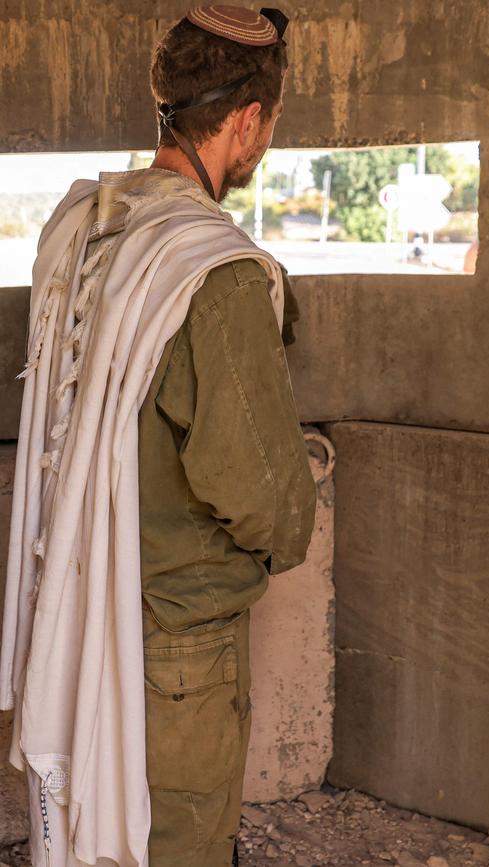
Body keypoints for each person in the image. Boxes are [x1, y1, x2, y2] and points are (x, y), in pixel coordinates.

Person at [0, 6, 316, 867]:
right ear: (247, 122)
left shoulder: (81, 229)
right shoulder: (210, 271)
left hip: (66, 615)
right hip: (175, 653)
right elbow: (273, 510)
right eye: (267, 130)